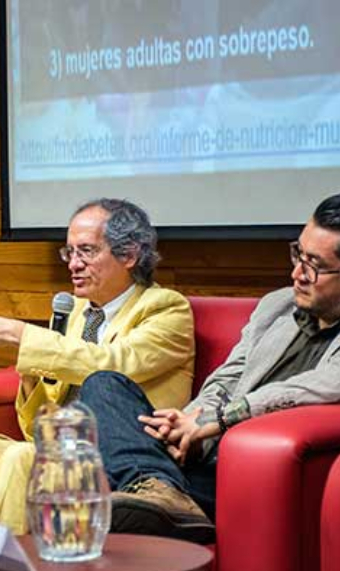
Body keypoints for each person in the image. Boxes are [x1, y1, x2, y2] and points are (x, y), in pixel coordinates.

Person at [0, 198, 196, 567]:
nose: (73, 264)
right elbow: (36, 421)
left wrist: (22, 335)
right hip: (56, 451)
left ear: (129, 254)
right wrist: (31, 377)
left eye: (87, 251)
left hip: (114, 466)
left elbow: (112, 365)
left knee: (23, 457)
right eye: (69, 252)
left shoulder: (165, 308)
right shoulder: (75, 312)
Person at [81, 193, 340, 544]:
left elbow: (314, 387)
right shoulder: (277, 306)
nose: (297, 274)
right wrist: (188, 427)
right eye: (298, 254)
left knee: (106, 480)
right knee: (104, 385)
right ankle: (158, 489)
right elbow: (228, 376)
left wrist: (216, 421)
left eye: (315, 265)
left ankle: (158, 494)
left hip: (250, 475)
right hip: (202, 458)